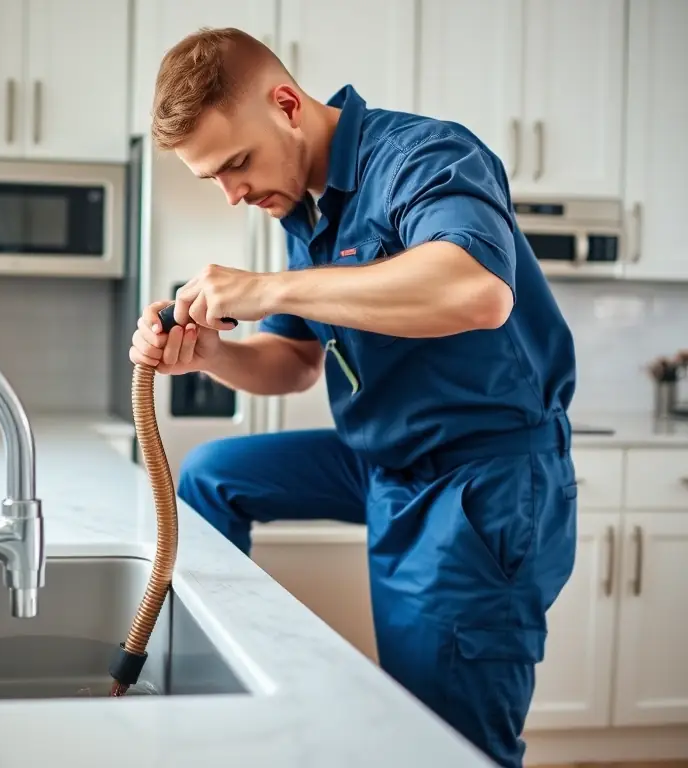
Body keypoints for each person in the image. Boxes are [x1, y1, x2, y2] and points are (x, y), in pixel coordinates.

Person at [128, 27, 578, 768]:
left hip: (479, 478)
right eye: (214, 178)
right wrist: (211, 353)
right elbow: (297, 362)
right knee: (213, 474)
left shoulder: (422, 156)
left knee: (445, 744)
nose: (234, 193)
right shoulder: (301, 209)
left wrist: (267, 288)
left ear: (286, 104)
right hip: (383, 460)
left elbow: (476, 290)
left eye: (236, 163)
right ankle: (216, 686)